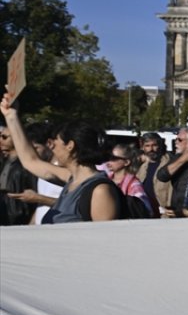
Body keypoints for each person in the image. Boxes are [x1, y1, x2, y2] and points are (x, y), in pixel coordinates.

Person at [0, 93, 120, 222]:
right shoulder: (72, 179)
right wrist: (11, 116)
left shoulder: (100, 191)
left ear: (70, 146)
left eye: (56, 141)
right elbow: (31, 161)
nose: (52, 147)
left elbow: (104, 238)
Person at [0, 118, 38, 225]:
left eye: (4, 137)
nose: (1, 140)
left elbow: (34, 191)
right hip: (4, 211)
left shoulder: (25, 164)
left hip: (18, 214)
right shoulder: (4, 161)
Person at [155, 127, 188, 217]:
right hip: (176, 210)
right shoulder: (177, 158)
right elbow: (162, 176)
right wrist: (183, 159)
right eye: (175, 139)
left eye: (180, 140)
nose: (176, 142)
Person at [105, 142, 154, 217]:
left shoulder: (134, 185)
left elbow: (146, 210)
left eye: (114, 158)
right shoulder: (105, 181)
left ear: (127, 162)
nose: (109, 161)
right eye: (108, 157)